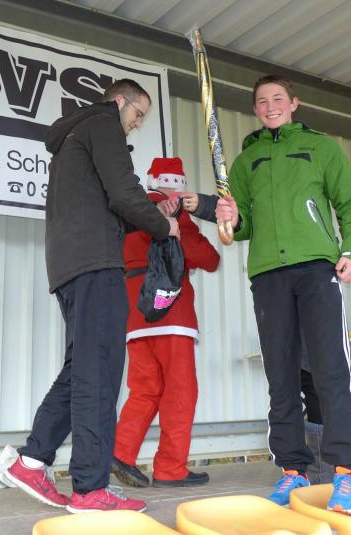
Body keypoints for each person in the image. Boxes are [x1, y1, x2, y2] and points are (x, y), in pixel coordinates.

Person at [5, 79, 179, 514]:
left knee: (81, 368)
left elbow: (110, 203)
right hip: (96, 264)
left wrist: (151, 213)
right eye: (137, 114)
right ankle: (90, 488)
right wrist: (165, 226)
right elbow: (123, 192)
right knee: (98, 373)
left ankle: (32, 462)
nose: (137, 124)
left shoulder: (75, 136)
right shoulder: (103, 123)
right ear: (119, 101)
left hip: (69, 264)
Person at [216, 74, 351, 516]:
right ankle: (292, 470)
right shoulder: (246, 160)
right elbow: (242, 227)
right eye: (262, 101)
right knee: (281, 377)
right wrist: (229, 216)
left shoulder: (320, 147)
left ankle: (346, 471)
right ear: (255, 109)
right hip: (268, 275)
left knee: (330, 371)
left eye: (278, 98)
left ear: (294, 103)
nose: (270, 106)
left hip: (317, 268)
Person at [111, 157, 220, 489]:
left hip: (134, 311)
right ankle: (171, 468)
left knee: (145, 389)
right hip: (171, 313)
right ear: (179, 184)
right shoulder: (175, 212)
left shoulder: (129, 212)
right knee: (180, 391)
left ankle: (120, 452)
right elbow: (208, 258)